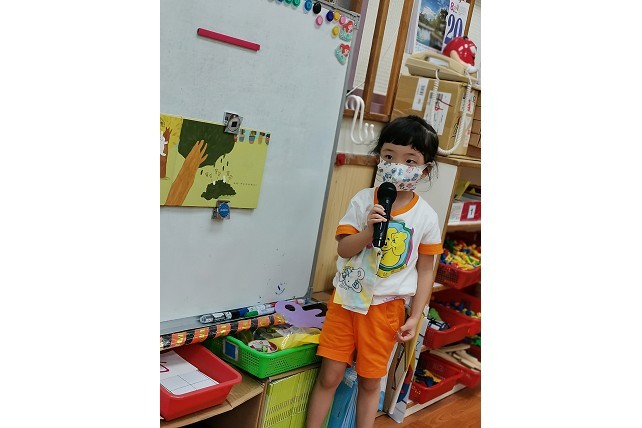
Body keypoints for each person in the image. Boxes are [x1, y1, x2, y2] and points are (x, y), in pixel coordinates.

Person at [306, 115, 443, 428]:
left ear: (425, 169)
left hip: (385, 309)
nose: (397, 165)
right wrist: (369, 231)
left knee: (370, 383)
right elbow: (344, 249)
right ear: (379, 157)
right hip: (346, 301)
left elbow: (426, 270)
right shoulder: (362, 200)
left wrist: (415, 316)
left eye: (410, 160)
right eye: (389, 156)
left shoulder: (426, 216)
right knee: (330, 376)